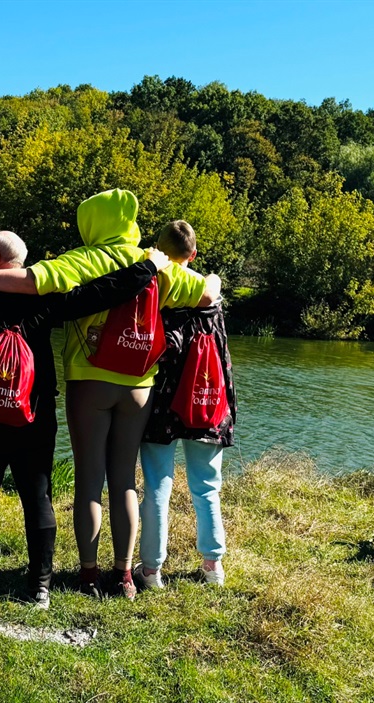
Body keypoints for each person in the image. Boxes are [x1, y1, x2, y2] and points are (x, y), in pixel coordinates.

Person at [0, 190, 220, 599]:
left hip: (90, 380)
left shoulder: (85, 259)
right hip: (139, 384)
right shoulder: (154, 262)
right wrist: (213, 279)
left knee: (90, 481)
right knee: (124, 481)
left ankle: (88, 574)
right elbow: (206, 295)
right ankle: (124, 575)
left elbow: (32, 280)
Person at [135, 221, 237, 590]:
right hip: (205, 399)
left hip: (162, 402)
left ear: (157, 250)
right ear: (192, 254)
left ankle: (151, 570)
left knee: (157, 486)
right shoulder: (211, 293)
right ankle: (213, 565)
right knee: (207, 485)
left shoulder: (155, 289)